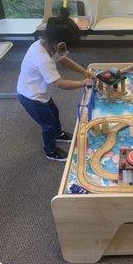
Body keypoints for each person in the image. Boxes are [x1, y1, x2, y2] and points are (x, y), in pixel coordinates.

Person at [17, 14, 93, 162]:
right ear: (56, 43)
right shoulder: (42, 59)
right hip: (31, 97)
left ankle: (58, 134)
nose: (66, 50)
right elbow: (59, 83)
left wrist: (83, 71)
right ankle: (51, 151)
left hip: (38, 92)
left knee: (54, 113)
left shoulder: (46, 45)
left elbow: (64, 60)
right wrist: (83, 83)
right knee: (49, 124)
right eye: (65, 47)